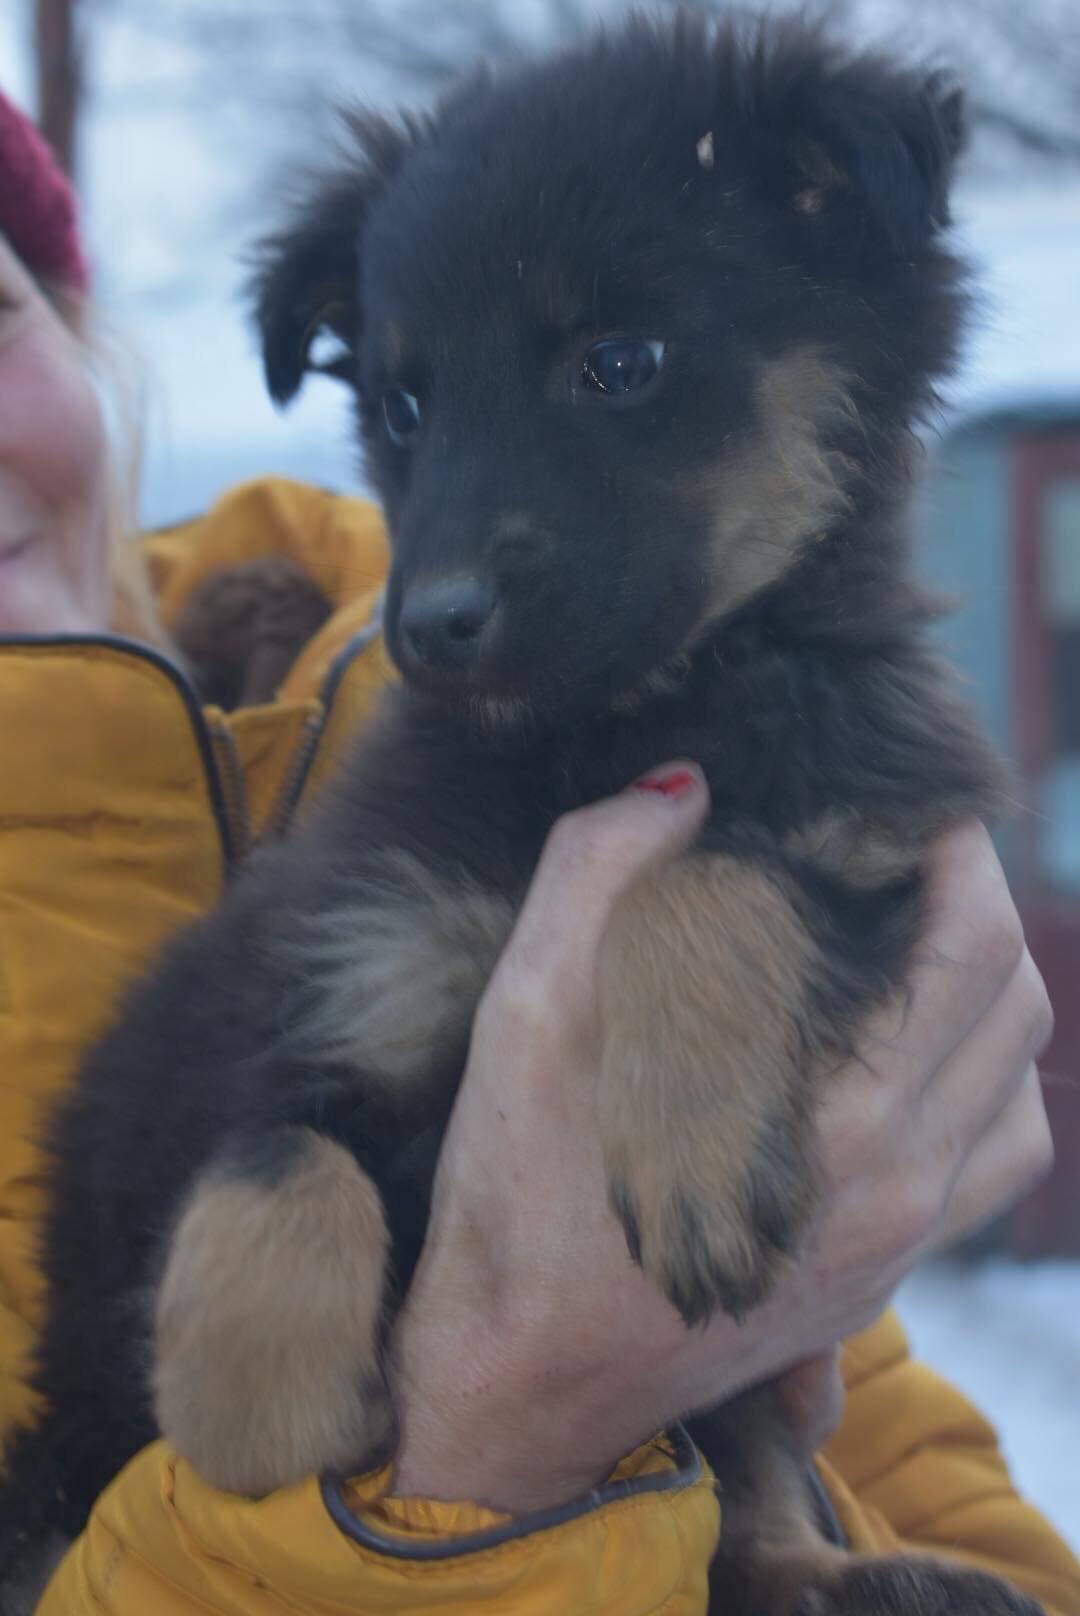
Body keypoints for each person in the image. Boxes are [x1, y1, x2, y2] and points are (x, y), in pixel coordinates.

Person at [0, 92, 1076, 1616]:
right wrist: (483, 1450)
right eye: (411, 411)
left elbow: (942, 1508)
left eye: (616, 371)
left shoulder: (430, 707)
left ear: (74, 328)